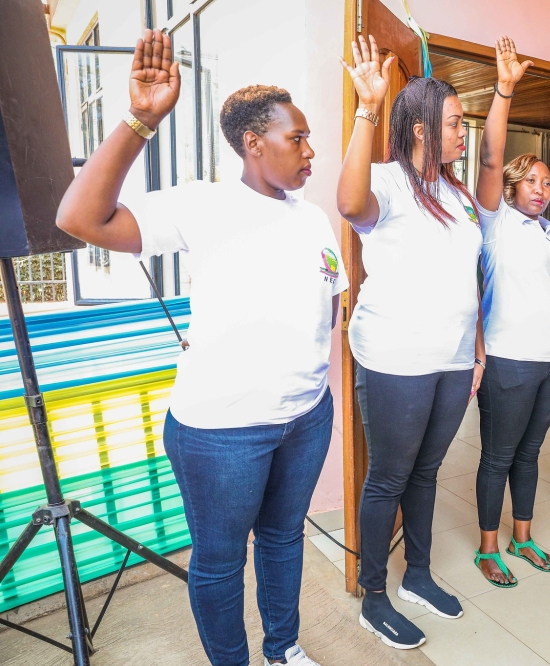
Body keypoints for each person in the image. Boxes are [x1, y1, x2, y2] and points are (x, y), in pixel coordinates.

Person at [55, 30, 345, 666]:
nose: (309, 149)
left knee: (282, 540)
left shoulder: (313, 217)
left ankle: (282, 649)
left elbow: (328, 303)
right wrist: (141, 119)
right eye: (296, 137)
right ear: (253, 143)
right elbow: (81, 218)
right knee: (219, 562)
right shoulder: (204, 204)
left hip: (305, 418)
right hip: (222, 432)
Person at [337, 36, 482, 650]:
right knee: (389, 478)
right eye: (453, 123)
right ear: (421, 128)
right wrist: (368, 107)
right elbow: (347, 205)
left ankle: (417, 575)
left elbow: (469, 277)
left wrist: (473, 350)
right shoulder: (387, 184)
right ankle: (374, 594)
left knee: (427, 472)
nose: (462, 134)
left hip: (450, 359)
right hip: (396, 357)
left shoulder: (458, 195)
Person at [472, 38, 550, 586]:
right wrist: (504, 89)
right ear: (510, 188)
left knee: (531, 455)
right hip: (509, 360)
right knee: (498, 455)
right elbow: (490, 156)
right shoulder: (494, 222)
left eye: (545, 182)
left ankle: (523, 537)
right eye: (530, 182)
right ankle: (489, 547)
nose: (541, 189)